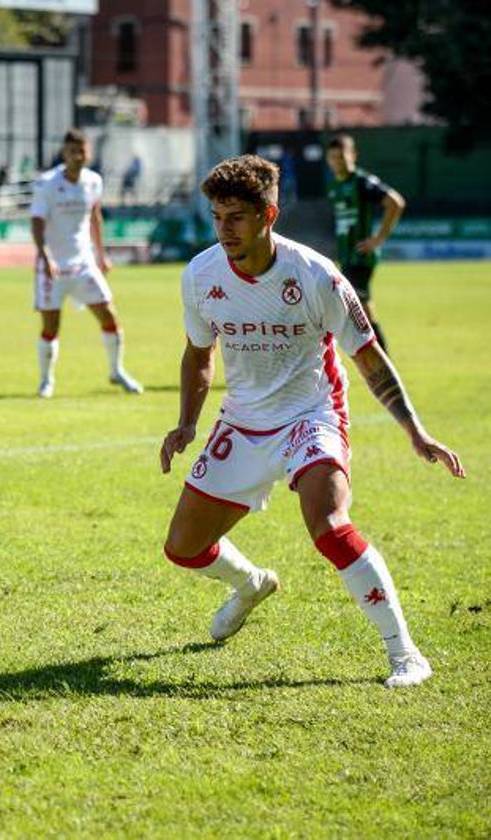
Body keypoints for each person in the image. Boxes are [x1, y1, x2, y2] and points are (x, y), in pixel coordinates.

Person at [159, 154, 465, 688]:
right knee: (182, 548)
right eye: (216, 216)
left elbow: (369, 358)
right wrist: (187, 423)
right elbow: (198, 353)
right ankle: (252, 584)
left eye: (235, 216)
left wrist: (415, 431)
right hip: (244, 422)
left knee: (328, 526)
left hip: (310, 415)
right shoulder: (201, 274)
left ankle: (405, 654)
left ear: (268, 216)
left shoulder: (317, 276)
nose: (223, 228)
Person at [31, 128, 143, 398]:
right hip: (53, 268)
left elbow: (95, 217)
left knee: (109, 315)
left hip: (83, 264)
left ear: (88, 153)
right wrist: (45, 258)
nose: (78, 156)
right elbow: (36, 223)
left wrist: (101, 255)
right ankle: (46, 380)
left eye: (82, 151)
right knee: (50, 326)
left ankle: (116, 371)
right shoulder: (47, 183)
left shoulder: (93, 181)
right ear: (64, 153)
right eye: (72, 151)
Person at [325, 134, 405, 351]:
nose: (337, 162)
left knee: (350, 308)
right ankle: (382, 361)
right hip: (346, 256)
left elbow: (395, 203)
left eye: (341, 156)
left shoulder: (362, 181)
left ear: (353, 155)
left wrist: (379, 239)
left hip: (360, 256)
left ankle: (381, 360)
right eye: (333, 157)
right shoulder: (334, 187)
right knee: (361, 309)